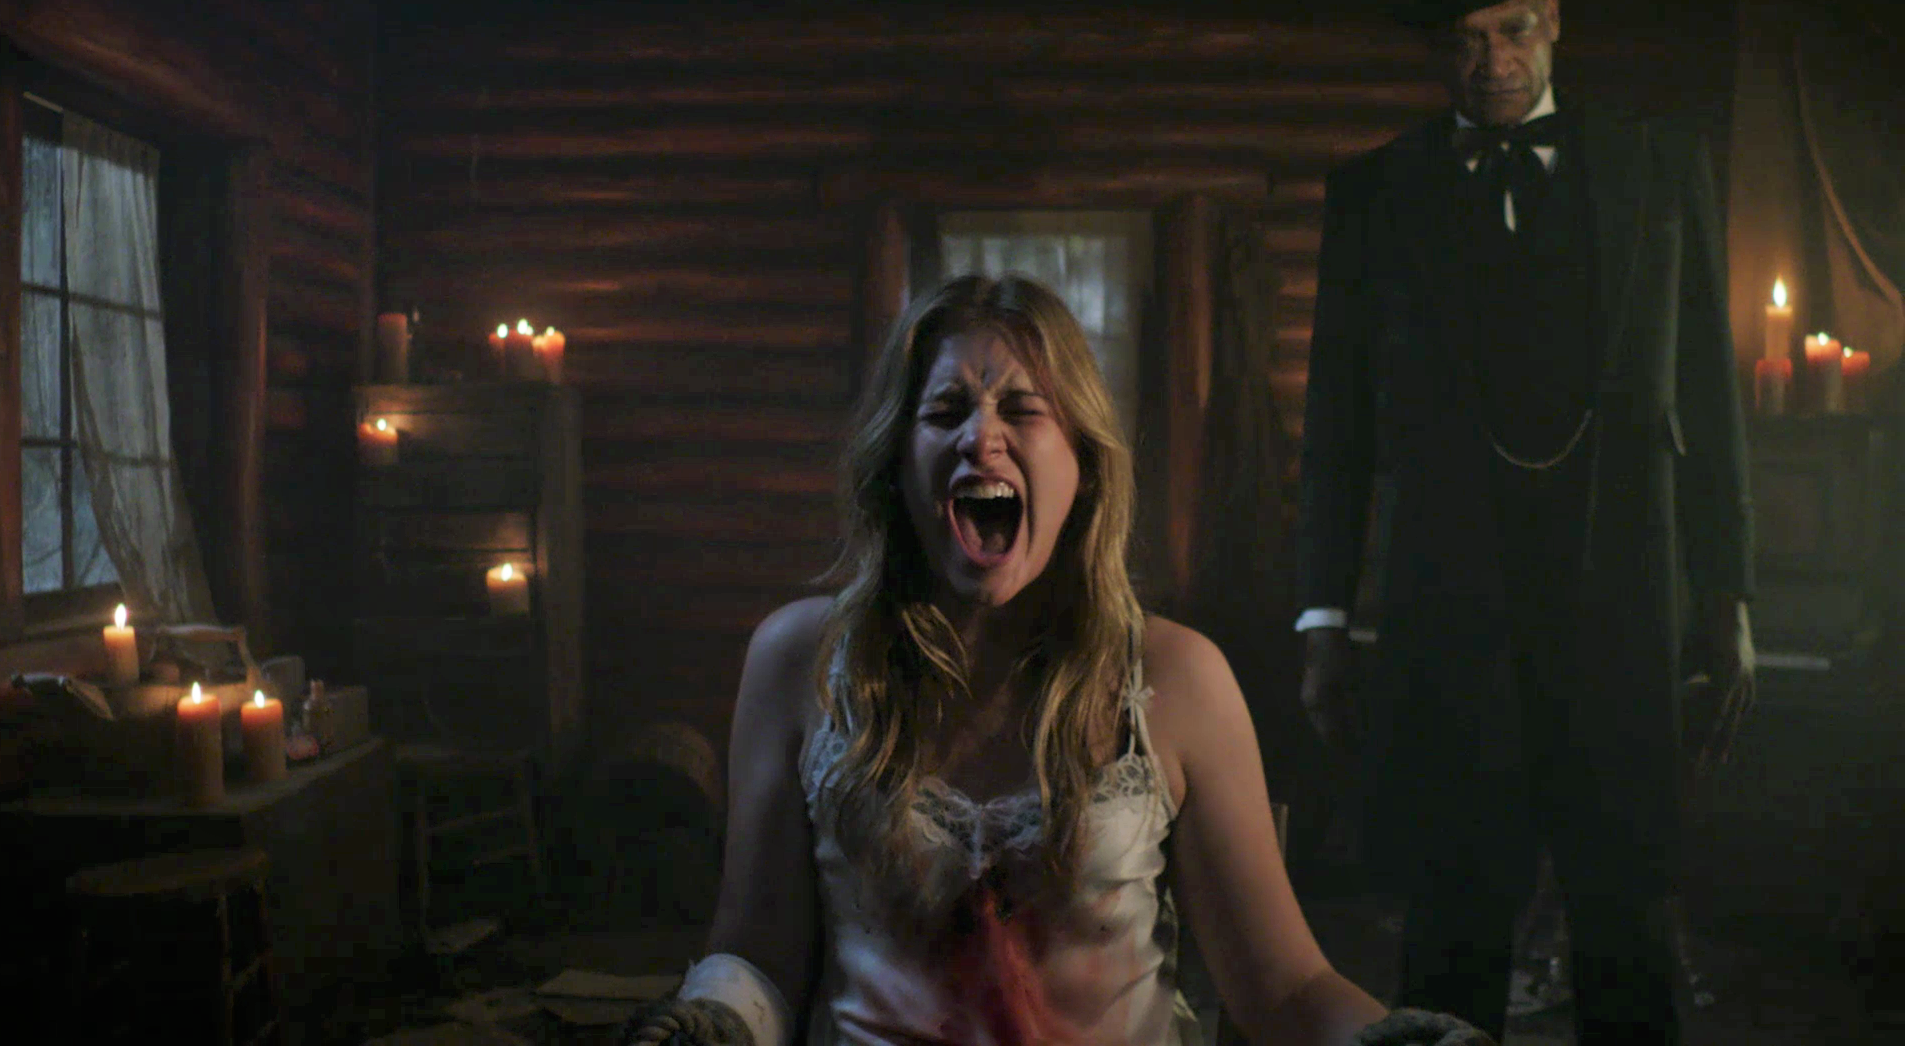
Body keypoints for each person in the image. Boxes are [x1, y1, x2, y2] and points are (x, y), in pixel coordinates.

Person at [625, 274, 1491, 1046]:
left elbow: (1285, 989)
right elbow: (757, 957)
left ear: (1083, 462)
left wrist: (1401, 1042)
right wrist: (711, 1022)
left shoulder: (1180, 678)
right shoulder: (800, 663)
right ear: (897, 463)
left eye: (1022, 409)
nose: (982, 439)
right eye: (945, 412)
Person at [1295, 0, 1756, 1044]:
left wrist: (1728, 595)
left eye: (1511, 31)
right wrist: (1323, 618)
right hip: (1452, 629)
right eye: (1465, 39)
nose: (1491, 62)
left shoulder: (1659, 169)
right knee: (1450, 946)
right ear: (1436, 48)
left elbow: (1708, 400)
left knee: (1629, 939)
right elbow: (1336, 424)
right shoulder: (1376, 195)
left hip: (1622, 617)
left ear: (1553, 18)